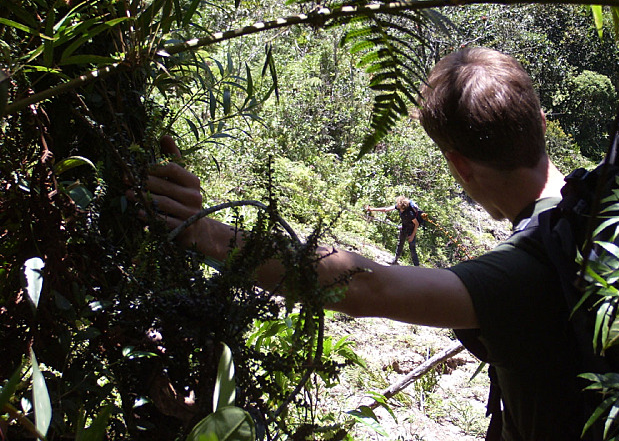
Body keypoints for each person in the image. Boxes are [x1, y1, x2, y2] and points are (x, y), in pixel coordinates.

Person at [142, 47, 589, 440]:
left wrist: (207, 233)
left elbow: (365, 286)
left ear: (459, 164)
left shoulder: (525, 268)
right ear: (540, 123)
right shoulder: (601, 209)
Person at [366, 196, 420, 266]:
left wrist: (412, 236)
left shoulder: (409, 213)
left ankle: (417, 266)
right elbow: (385, 209)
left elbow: (416, 224)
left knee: (412, 248)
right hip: (404, 228)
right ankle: (395, 260)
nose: (396, 204)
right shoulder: (399, 207)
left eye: (397, 203)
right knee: (400, 244)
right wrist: (372, 209)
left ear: (401, 204)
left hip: (411, 230)